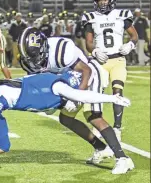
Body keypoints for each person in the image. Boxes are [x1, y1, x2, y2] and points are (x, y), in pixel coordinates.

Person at [0, 70, 132, 183]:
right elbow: (82, 96)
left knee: (1, 146)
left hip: (1, 104)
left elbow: (47, 103)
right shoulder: (58, 86)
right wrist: (111, 97)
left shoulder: (55, 87)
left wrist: (63, 103)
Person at [18, 27, 132, 169]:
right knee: (65, 118)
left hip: (88, 75)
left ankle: (122, 158)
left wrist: (75, 98)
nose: (33, 61)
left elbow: (86, 71)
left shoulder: (61, 50)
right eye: (30, 57)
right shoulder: (29, 61)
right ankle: (101, 148)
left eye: (35, 56)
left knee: (92, 115)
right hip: (67, 79)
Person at [82, 0, 138, 140]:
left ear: (111, 0)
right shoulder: (90, 17)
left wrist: (130, 45)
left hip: (118, 59)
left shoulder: (122, 15)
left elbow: (134, 36)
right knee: (97, 93)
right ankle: (99, 125)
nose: (102, 3)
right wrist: (94, 51)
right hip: (100, 61)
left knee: (117, 91)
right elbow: (88, 42)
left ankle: (117, 127)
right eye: (100, 0)